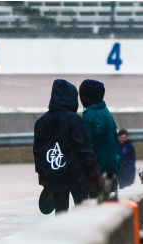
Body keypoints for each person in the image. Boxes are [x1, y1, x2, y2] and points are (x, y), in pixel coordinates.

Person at [33, 79, 101, 214]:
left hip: (55, 174)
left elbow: (38, 152)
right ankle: (83, 235)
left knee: (61, 213)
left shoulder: (41, 122)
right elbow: (84, 149)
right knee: (82, 212)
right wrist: (94, 173)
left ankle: (63, 235)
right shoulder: (74, 119)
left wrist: (42, 176)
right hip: (76, 175)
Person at [79, 79, 119, 190]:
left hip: (97, 174)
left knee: (97, 204)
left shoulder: (89, 116)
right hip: (112, 170)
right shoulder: (106, 112)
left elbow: (86, 148)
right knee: (110, 202)